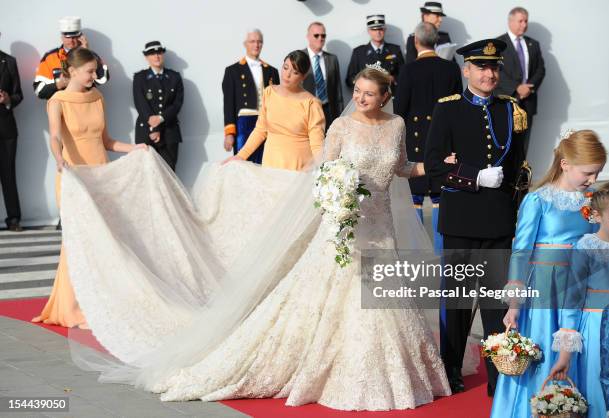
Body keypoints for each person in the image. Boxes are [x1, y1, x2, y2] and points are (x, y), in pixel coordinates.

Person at [56, 66, 456, 411]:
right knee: (341, 298)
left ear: (385, 96)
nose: (362, 99)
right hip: (344, 228)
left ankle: (393, 374)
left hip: (380, 228)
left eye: (370, 94)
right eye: (357, 93)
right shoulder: (340, 126)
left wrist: (436, 165)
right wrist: (337, 198)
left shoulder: (396, 125)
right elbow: (324, 174)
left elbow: (401, 167)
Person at [424, 39, 528, 396]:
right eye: (481, 67)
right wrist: (473, 176)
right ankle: (450, 369)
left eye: (494, 67)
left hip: (498, 219)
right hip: (461, 220)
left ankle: (499, 375)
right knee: (457, 300)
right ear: (466, 70)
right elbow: (434, 167)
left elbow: (517, 170)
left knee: (496, 302)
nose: (489, 73)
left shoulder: (510, 109)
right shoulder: (448, 109)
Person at [490, 130, 607, 418]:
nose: (592, 180)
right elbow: (521, 252)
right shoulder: (538, 200)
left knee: (582, 351)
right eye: (588, 172)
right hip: (544, 289)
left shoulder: (592, 201)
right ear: (565, 164)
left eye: (597, 173)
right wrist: (515, 305)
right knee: (543, 351)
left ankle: (573, 407)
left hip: (582, 289)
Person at [31, 48, 146, 328]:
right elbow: (56, 137)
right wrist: (59, 159)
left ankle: (97, 302)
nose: (95, 76)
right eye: (90, 72)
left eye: (95, 71)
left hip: (100, 176)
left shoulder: (97, 97)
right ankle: (70, 307)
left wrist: (135, 148)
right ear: (72, 71)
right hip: (72, 177)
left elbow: (106, 141)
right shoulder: (57, 101)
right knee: (77, 242)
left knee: (102, 240)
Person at [394, 22, 462, 253]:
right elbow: (457, 108)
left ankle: (416, 251)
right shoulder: (451, 69)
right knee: (439, 198)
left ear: (415, 41)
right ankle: (441, 251)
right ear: (437, 42)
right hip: (443, 143)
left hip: (415, 143)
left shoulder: (408, 70)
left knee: (415, 197)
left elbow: (400, 110)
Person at [547, 183, 609, 418]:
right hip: (597, 328)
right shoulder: (585, 247)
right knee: (598, 386)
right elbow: (572, 300)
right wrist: (565, 354)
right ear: (596, 216)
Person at [225, 50, 324, 171]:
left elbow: (317, 145)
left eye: (295, 72)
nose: (287, 75)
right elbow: (260, 130)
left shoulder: (312, 103)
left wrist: (323, 172)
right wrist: (241, 156)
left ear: (303, 76)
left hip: (299, 169)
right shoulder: (269, 93)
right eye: (285, 67)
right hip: (270, 165)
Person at [222, 29, 279, 164]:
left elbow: (277, 103)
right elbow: (229, 104)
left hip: (267, 123)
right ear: (245, 44)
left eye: (259, 41)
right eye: (252, 41)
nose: (256, 45)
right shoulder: (232, 71)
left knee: (266, 162)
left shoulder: (272, 71)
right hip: (244, 123)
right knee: (243, 164)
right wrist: (229, 133)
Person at [495, 7, 545, 157]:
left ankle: (520, 178)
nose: (524, 24)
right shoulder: (498, 43)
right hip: (505, 101)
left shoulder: (533, 44)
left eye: (526, 21)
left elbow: (540, 70)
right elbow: (497, 71)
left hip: (527, 102)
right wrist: (517, 88)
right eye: (520, 21)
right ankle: (505, 178)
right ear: (510, 21)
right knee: (504, 143)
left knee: (524, 145)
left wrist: (529, 88)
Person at [133, 41, 184, 171]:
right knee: (146, 172)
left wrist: (160, 119)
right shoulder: (139, 78)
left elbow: (177, 104)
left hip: (169, 131)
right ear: (146, 57)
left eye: (159, 53)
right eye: (152, 54)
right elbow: (140, 103)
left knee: (169, 171)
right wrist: (152, 126)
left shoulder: (174, 77)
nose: (156, 56)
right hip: (145, 132)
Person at [33, 16, 109, 100]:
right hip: (61, 109)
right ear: (61, 37)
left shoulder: (90, 54)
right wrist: (59, 84)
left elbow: (103, 79)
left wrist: (86, 54)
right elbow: (39, 91)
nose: (71, 41)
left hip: (86, 105)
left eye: (74, 37)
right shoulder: (50, 58)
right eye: (67, 37)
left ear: (81, 37)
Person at [346, 15, 404, 95]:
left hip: (390, 97)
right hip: (368, 99)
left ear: (385, 29)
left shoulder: (395, 50)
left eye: (380, 29)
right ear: (368, 31)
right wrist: (366, 81)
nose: (378, 32)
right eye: (374, 29)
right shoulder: (359, 52)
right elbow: (349, 79)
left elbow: (404, 75)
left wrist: (393, 79)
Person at [302, 22, 344, 131]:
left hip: (328, 111)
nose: (320, 38)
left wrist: (341, 117)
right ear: (308, 37)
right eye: (316, 35)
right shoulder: (299, 57)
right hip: (306, 112)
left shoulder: (332, 59)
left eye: (323, 35)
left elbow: (337, 91)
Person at [0, 41, 24, 232]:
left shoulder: (9, 62)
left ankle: (14, 219)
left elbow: (18, 95)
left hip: (6, 128)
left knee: (8, 173)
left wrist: (8, 100)